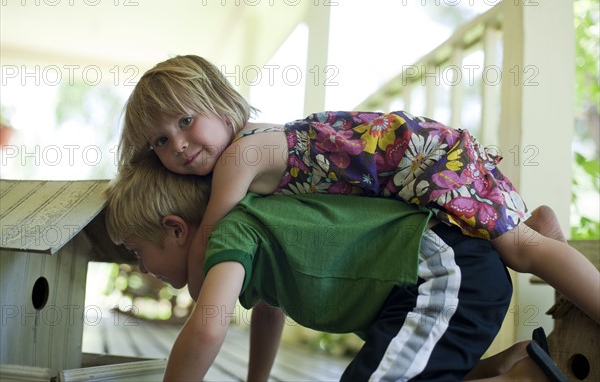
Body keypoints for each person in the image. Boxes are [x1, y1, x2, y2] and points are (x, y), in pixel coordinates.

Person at [119, 54, 600, 326]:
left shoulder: (238, 160)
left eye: (186, 121)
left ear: (221, 104)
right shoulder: (249, 148)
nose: (179, 145)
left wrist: (200, 297)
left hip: (419, 160)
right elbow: (270, 297)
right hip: (415, 162)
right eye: (161, 140)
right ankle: (538, 223)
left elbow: (208, 233)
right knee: (515, 240)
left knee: (520, 251)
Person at [104, 155, 565, 381]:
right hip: (429, 287)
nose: (142, 269)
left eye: (137, 251)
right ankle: (516, 366)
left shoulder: (228, 232)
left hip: (441, 274)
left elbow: (207, 328)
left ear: (176, 229)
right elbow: (269, 307)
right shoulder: (253, 226)